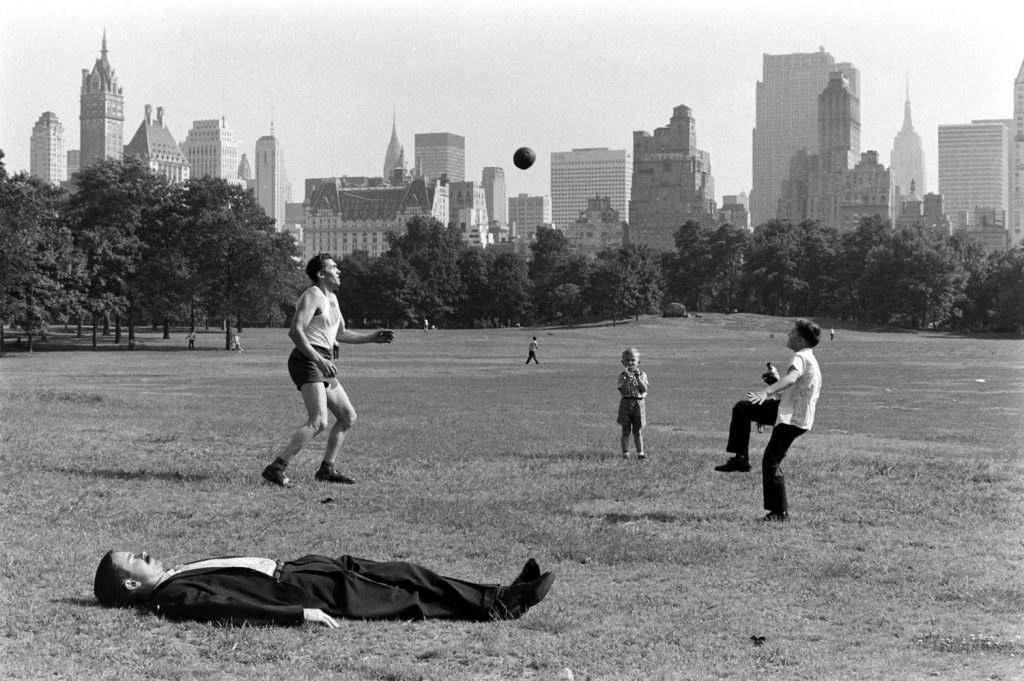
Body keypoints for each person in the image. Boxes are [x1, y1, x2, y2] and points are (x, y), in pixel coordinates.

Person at [93, 550, 555, 626]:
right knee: (405, 597)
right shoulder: (171, 598)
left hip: (299, 568)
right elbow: (228, 607)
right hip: (298, 588)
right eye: (136, 558)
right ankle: (501, 604)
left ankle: (496, 595)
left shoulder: (172, 577)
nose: (146, 553)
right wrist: (298, 614)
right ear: (132, 582)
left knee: (404, 572)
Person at [262, 254, 395, 488]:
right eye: (334, 267)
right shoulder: (312, 295)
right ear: (321, 274)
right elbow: (295, 332)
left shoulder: (332, 298)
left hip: (323, 361)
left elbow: (341, 334)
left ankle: (326, 469)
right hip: (308, 359)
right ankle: (277, 467)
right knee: (318, 421)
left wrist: (372, 337)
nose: (339, 271)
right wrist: (319, 360)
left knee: (347, 417)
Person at [713, 319, 823, 522]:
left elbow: (791, 379)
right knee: (743, 409)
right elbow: (796, 386)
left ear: (799, 339)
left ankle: (779, 513)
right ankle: (740, 459)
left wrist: (766, 391)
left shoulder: (800, 356)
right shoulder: (808, 357)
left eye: (791, 332)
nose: (788, 335)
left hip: (792, 418)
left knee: (771, 462)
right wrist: (773, 380)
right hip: (788, 412)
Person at [617, 347, 649, 460]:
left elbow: (643, 389)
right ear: (623, 362)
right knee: (626, 429)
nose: (630, 363)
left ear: (638, 362)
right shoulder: (622, 376)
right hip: (626, 402)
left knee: (637, 429)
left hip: (638, 403)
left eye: (633, 360)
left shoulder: (642, 374)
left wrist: (637, 378)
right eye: (627, 360)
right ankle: (625, 452)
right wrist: (627, 380)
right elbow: (623, 391)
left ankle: (640, 452)